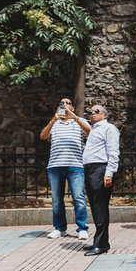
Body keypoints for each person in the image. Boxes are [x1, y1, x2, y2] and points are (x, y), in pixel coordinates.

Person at [41, 97, 91, 240]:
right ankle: (59, 228)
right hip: (55, 166)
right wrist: (53, 119)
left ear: (73, 108)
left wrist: (75, 118)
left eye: (67, 103)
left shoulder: (79, 121)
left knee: (78, 198)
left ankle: (82, 228)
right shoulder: (54, 123)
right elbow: (43, 136)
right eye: (61, 103)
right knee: (57, 199)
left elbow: (90, 133)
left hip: (75, 165)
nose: (64, 105)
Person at [82, 105, 120, 256]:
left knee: (100, 206)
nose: (92, 114)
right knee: (95, 206)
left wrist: (109, 173)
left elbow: (113, 151)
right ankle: (100, 241)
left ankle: (101, 244)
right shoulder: (94, 129)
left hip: (100, 169)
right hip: (91, 169)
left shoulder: (108, 128)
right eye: (90, 112)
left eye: (96, 111)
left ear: (104, 114)